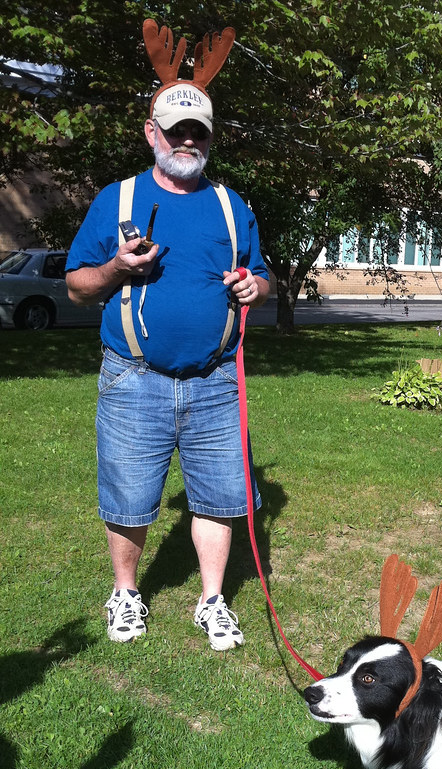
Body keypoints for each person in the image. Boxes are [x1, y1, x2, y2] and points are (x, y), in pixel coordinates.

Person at [66, 21, 269, 651]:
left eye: (196, 133)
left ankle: (212, 602)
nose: (186, 141)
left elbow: (264, 280)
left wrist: (253, 290)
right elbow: (77, 286)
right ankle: (126, 593)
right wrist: (116, 269)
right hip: (134, 377)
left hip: (215, 383)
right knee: (128, 496)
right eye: (175, 130)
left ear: (208, 139)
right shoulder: (116, 198)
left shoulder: (234, 207)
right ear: (152, 133)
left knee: (219, 497)